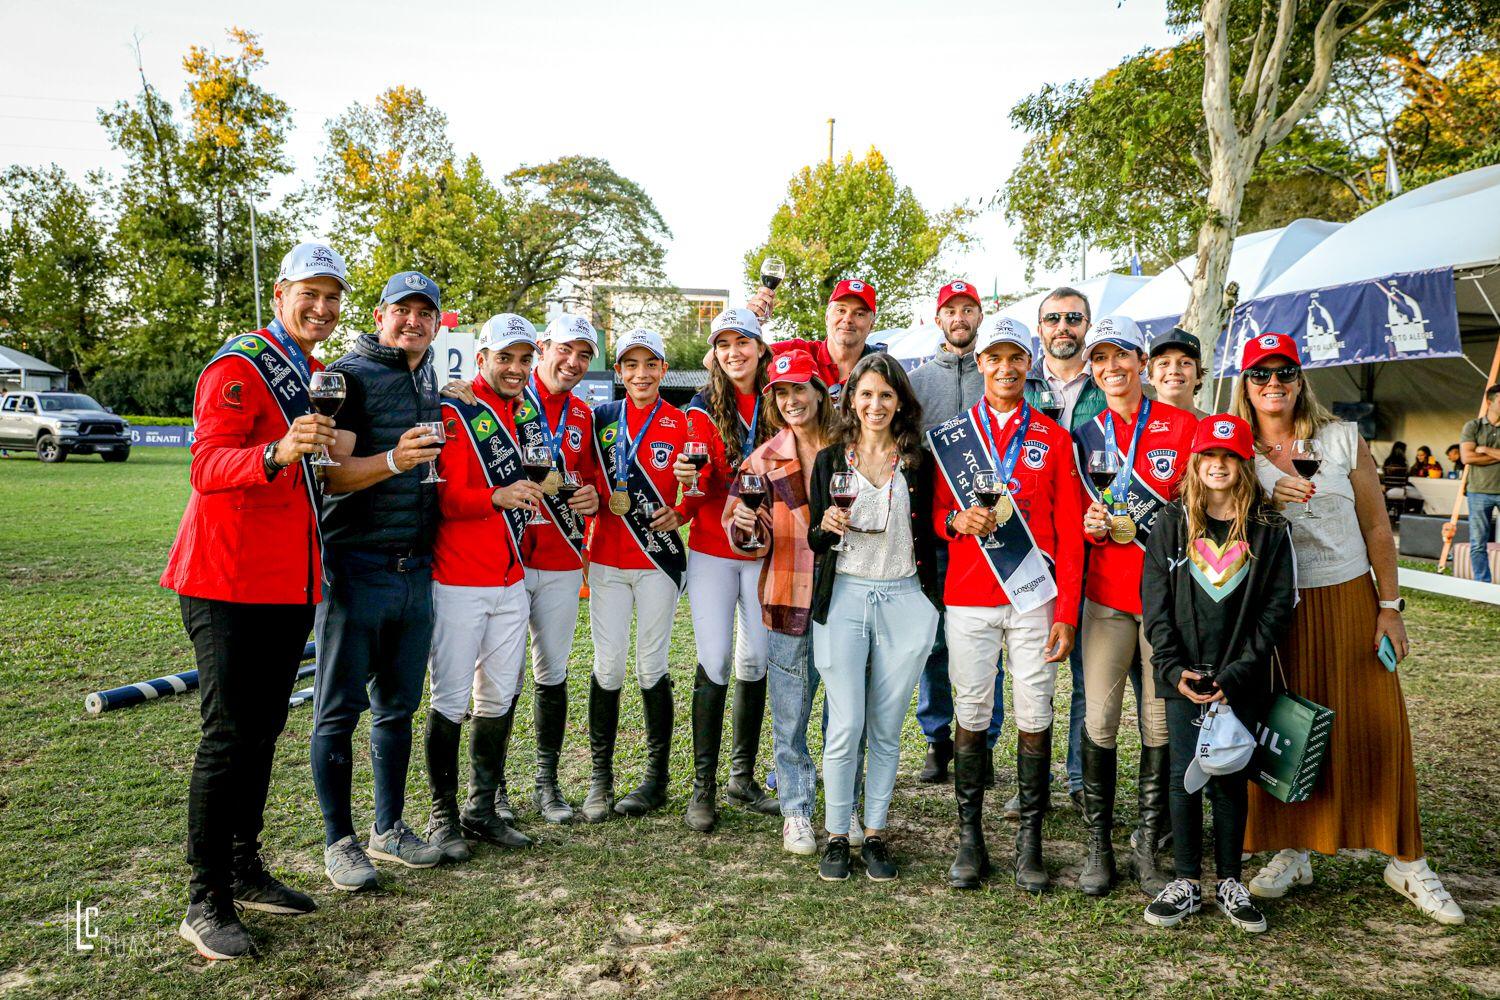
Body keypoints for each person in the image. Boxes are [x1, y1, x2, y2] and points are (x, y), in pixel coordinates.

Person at [1234, 333, 1464, 926]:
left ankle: (1404, 857)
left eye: (1284, 372)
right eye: (1260, 374)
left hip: (1347, 595)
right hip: (1274, 607)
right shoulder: (1234, 446)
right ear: (1245, 383)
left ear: (1300, 379)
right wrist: (1262, 500)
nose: (1273, 384)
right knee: (1284, 726)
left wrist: (1389, 605)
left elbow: (1377, 528)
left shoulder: (1339, 438)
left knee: (1376, 720)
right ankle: (1293, 846)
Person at [161, 242, 347, 959]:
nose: (322, 309)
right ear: (279, 293)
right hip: (225, 580)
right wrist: (276, 452)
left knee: (264, 730)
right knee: (228, 736)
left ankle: (243, 867)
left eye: (333, 297)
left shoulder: (310, 372)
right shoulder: (240, 365)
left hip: (288, 582)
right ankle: (204, 899)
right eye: (310, 294)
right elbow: (206, 466)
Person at [928, 316, 1083, 892]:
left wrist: (1066, 612)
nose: (1006, 368)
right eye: (995, 357)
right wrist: (955, 520)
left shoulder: (1052, 436)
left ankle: (1030, 842)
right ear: (981, 364)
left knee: (1035, 711)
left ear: (1029, 363)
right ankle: (971, 839)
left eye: (1017, 356)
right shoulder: (952, 436)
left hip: (1033, 599)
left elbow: (1069, 530)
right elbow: (935, 515)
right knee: (970, 712)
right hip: (969, 594)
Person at [312, 270, 447, 891]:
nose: (414, 321)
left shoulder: (425, 375)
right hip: (357, 565)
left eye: (426, 312)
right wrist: (395, 460)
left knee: (397, 708)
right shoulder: (346, 376)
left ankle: (388, 829)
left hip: (413, 567)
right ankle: (339, 841)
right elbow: (331, 476)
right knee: (338, 712)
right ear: (379, 313)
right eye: (403, 310)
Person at [1140, 414, 1294, 934]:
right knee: (1185, 775)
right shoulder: (1171, 523)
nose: (1219, 464)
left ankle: (1229, 879)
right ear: (1196, 462)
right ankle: (1186, 880)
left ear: (1244, 463)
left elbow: (1276, 608)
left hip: (1239, 677)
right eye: (1210, 455)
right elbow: (1155, 605)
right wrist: (1172, 666)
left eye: (1230, 456)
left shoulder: (1269, 529)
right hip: (1184, 676)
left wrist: (1239, 670)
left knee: (1229, 773)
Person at [1072, 315, 1198, 899]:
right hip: (1106, 596)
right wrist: (1094, 525)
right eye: (1100, 360)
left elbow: (1205, 509)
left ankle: (1147, 844)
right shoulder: (1087, 432)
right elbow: (1076, 517)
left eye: (1121, 357)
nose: (1111, 369)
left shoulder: (1182, 426)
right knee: (1098, 717)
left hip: (1166, 600)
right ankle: (1099, 845)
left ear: (1141, 364)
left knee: (1155, 720)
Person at [807, 353, 942, 882]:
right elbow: (819, 541)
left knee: (887, 727)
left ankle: (877, 832)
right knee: (846, 723)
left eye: (886, 395)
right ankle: (839, 834)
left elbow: (934, 534)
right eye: (866, 394)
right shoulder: (829, 461)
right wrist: (825, 523)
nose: (875, 404)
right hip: (844, 597)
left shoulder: (918, 462)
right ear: (851, 400)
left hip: (905, 598)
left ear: (901, 402)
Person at [724, 349, 841, 854]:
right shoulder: (764, 459)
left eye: (800, 388)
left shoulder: (852, 446)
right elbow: (741, 530)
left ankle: (844, 807)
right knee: (791, 713)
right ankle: (795, 810)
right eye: (782, 391)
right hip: (788, 595)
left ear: (819, 390)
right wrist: (745, 528)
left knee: (844, 710)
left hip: (846, 596)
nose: (792, 399)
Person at [582, 328, 696, 821]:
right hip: (607, 559)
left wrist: (684, 510)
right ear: (620, 371)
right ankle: (600, 781)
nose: (640, 374)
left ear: (663, 369)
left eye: (650, 364)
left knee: (652, 667)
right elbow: (580, 471)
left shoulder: (681, 421)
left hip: (657, 562)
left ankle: (656, 778)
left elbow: (701, 484)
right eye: (630, 365)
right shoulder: (601, 418)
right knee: (607, 668)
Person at [673, 308, 777, 833]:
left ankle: (743, 776)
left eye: (745, 342)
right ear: (714, 353)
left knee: (755, 658)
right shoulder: (699, 410)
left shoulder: (781, 398)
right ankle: (703, 786)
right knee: (714, 659)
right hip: (714, 550)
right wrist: (691, 478)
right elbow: (697, 481)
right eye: (724, 344)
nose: (734, 352)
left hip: (765, 552)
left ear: (761, 347)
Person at [907, 280, 1005, 787]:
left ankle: (983, 741)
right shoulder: (919, 382)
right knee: (935, 641)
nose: (960, 317)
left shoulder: (1000, 374)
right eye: (952, 309)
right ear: (938, 317)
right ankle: (938, 738)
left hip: (996, 534)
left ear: (979, 316)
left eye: (969, 309)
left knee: (989, 638)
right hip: (936, 532)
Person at [1023, 286, 1107, 813]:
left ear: (1087, 326)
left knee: (1084, 667)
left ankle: (1077, 780)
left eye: (1073, 318)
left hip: (1100, 539)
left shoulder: (1110, 381)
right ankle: (1028, 783)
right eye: (1053, 318)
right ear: (1040, 327)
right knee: (1029, 668)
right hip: (1032, 545)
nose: (1063, 327)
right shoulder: (1020, 380)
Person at [516, 315, 604, 822]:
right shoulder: (507, 402)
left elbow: (590, 481)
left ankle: (546, 783)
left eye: (584, 355)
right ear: (543, 347)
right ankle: (494, 791)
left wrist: (592, 498)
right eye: (565, 350)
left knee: (552, 673)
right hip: (507, 558)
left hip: (563, 558)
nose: (573, 362)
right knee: (500, 681)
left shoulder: (582, 414)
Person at [747, 278, 888, 394]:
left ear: (872, 324)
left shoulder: (883, 369)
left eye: (859, 314)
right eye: (841, 310)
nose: (848, 319)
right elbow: (743, 360)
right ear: (827, 316)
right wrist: (750, 322)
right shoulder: (796, 352)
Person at [1460, 385, 1500, 582]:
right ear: (1490, 402)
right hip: (1478, 491)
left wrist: (1484, 449)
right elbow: (1467, 457)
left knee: (1479, 541)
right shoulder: (1473, 426)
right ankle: (1482, 585)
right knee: (1477, 542)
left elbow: (1474, 454)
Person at [1146, 327, 1208, 419]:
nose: (1174, 371)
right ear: (1151, 377)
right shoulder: (1135, 430)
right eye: (1164, 363)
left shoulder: (1216, 429)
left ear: (1198, 376)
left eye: (1185, 363)